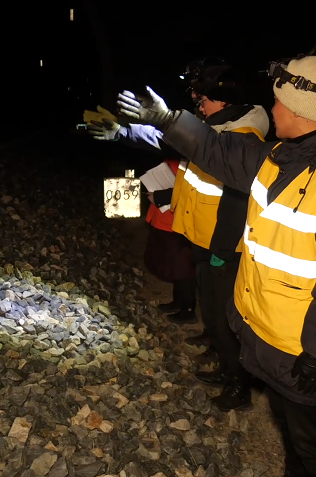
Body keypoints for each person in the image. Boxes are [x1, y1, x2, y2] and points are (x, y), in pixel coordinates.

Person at [116, 55, 316, 477]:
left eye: (278, 101)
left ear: (299, 110)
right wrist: (169, 120)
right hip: (266, 337)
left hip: (302, 352)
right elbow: (216, 150)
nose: (271, 109)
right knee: (292, 437)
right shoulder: (279, 157)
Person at [96, 63, 269, 412]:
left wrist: (222, 249)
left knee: (225, 316)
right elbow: (167, 140)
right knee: (214, 310)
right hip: (203, 236)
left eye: (203, 99)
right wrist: (124, 131)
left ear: (224, 100)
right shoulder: (215, 127)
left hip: (223, 244)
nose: (198, 104)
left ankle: (238, 387)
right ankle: (222, 360)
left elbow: (235, 201)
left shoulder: (243, 135)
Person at [87, 121, 198, 319]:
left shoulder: (197, 156)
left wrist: (161, 196)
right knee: (171, 263)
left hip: (178, 221)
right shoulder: (176, 152)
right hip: (163, 217)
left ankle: (187, 310)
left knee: (182, 266)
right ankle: (178, 302)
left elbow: (190, 192)